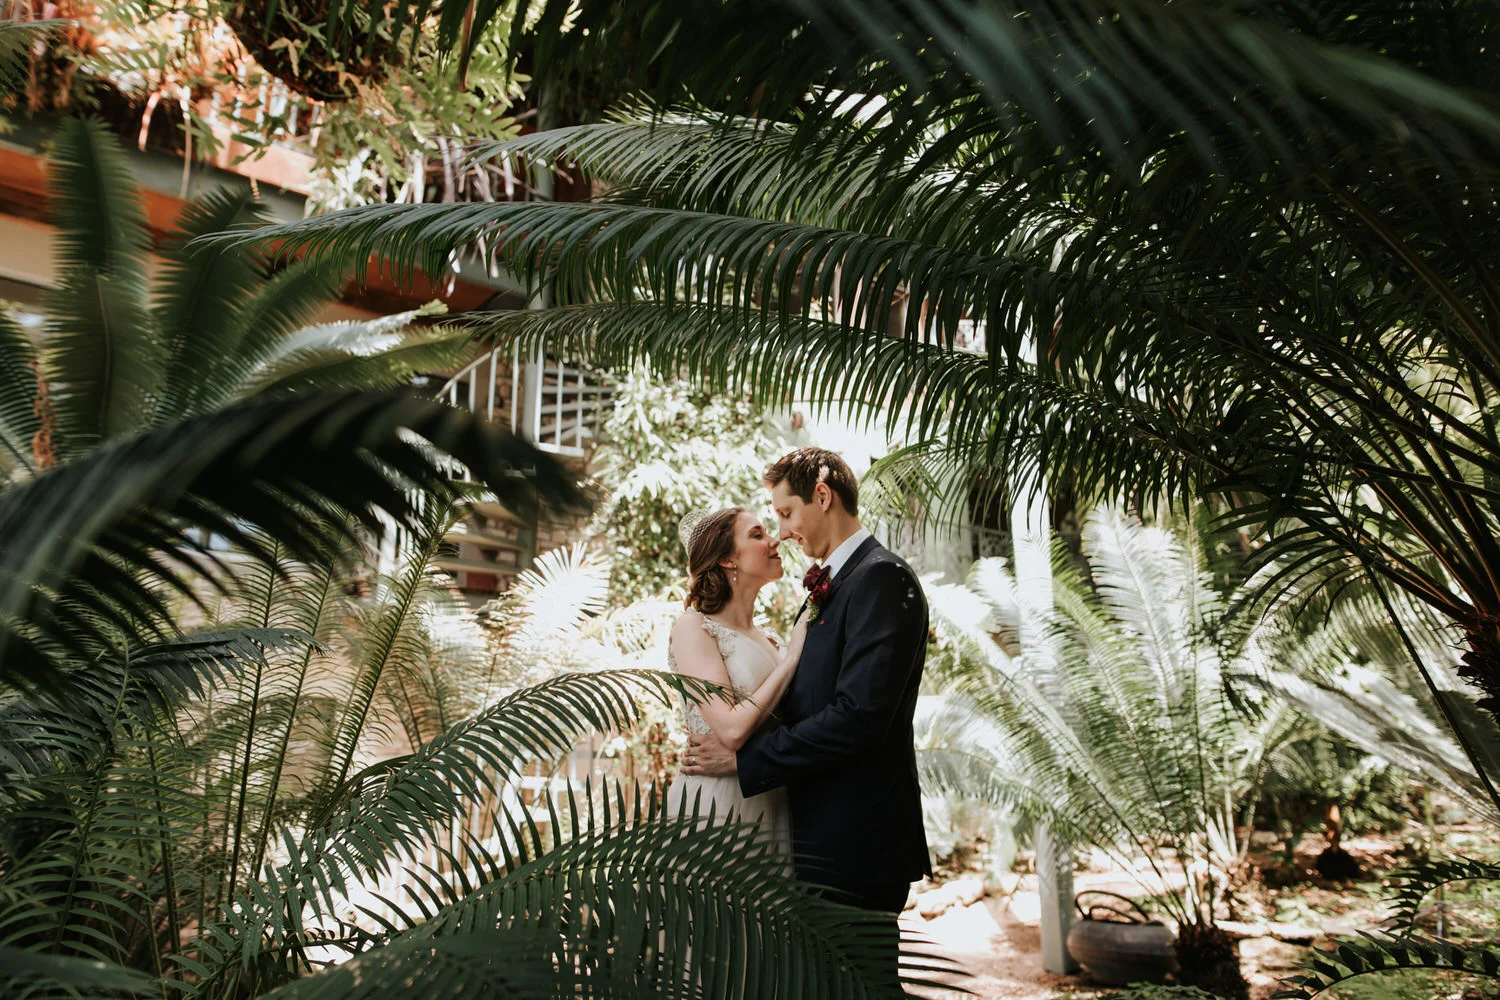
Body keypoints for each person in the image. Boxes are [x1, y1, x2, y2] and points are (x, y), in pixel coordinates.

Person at [681, 447, 932, 979]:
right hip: (805, 835)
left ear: (823, 495)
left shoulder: (881, 578)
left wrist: (744, 762)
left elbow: (858, 718)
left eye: (786, 513)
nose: (783, 532)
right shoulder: (830, 587)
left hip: (855, 841)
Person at [665, 505, 809, 857]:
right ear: (728, 559)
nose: (775, 540)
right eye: (757, 535)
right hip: (717, 807)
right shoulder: (694, 627)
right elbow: (730, 730)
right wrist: (791, 661)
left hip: (771, 799)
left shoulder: (771, 639)